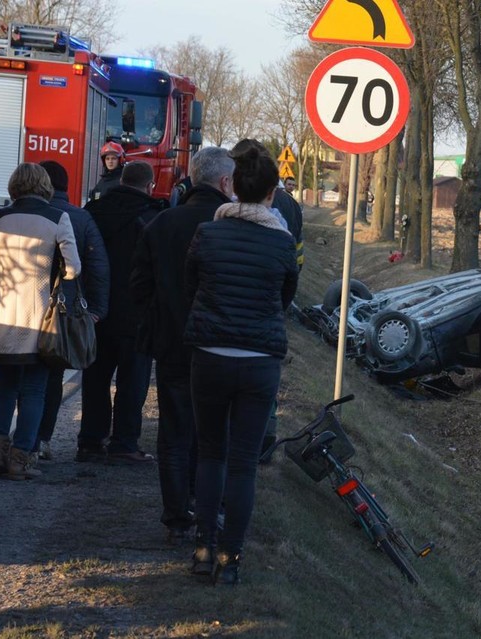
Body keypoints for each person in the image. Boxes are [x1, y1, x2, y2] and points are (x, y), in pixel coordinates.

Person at [186, 146, 298, 585]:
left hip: (210, 356)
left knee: (211, 453)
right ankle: (232, 556)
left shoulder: (207, 234)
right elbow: (284, 298)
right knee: (244, 463)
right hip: (259, 361)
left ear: (232, 187)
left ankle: (202, 547)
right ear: (272, 192)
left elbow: (190, 284)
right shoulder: (282, 242)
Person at [131, 147, 235, 543]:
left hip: (172, 342)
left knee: (174, 432)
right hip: (220, 344)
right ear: (226, 182)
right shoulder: (230, 227)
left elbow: (138, 287)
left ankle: (176, 516)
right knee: (212, 435)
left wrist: (157, 324)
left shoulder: (161, 224)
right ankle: (207, 508)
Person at [0, 164, 81, 479]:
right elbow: (74, 268)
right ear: (45, 187)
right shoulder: (57, 219)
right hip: (39, 319)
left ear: (14, 186)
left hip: (2, 316)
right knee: (35, 388)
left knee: (6, 385)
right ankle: (20, 459)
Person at [79, 161, 165, 464]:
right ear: (149, 185)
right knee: (132, 382)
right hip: (136, 314)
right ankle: (124, 443)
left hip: (96, 311)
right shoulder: (154, 217)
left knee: (95, 380)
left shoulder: (95, 211)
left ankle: (90, 441)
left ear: (121, 181)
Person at [229, 140, 304, 461]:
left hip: (229, 315)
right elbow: (296, 264)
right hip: (269, 310)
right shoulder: (290, 206)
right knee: (264, 381)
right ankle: (265, 433)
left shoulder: (227, 208)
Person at [34, 161, 111, 462]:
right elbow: (98, 267)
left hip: (20, 310)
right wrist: (97, 310)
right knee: (52, 375)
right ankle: (42, 439)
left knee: (19, 377)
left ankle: (12, 439)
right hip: (61, 313)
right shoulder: (81, 218)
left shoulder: (18, 214)